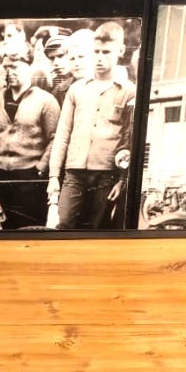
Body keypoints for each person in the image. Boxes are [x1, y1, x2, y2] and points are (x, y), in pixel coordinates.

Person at [48, 22, 135, 230]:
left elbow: (130, 140)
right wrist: (53, 176)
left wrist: (122, 180)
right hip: (74, 173)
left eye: (106, 52)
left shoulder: (129, 91)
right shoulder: (77, 89)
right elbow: (63, 134)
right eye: (96, 52)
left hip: (106, 175)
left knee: (97, 230)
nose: (100, 58)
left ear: (120, 51)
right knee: (62, 225)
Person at [0, 40, 59, 227]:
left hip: (30, 180)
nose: (9, 72)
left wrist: (39, 169)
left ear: (29, 66)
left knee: (27, 229)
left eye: (14, 67)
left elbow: (54, 139)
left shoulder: (46, 101)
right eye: (6, 67)